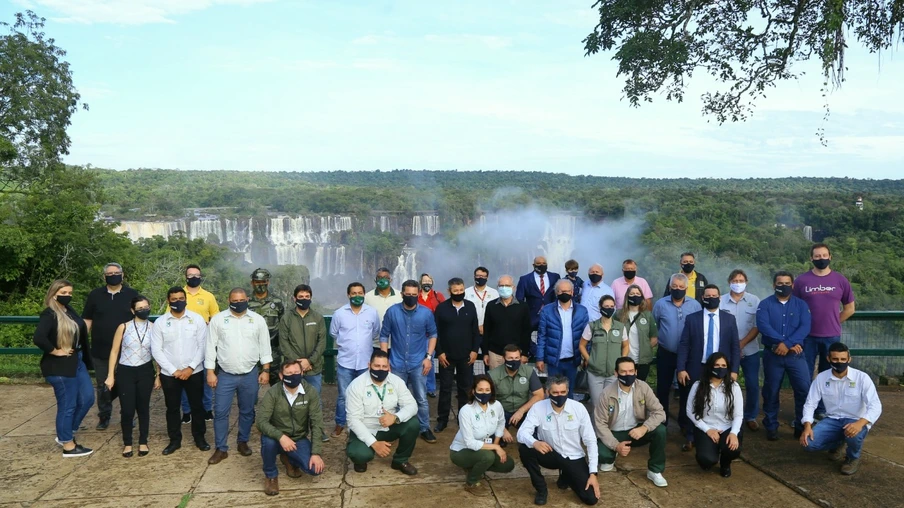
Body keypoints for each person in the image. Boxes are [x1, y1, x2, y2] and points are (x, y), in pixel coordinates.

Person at [206, 288, 273, 464]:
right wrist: (210, 371)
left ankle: (242, 441)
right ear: (228, 300)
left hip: (250, 373)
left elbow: (265, 346)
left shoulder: (257, 320)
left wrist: (265, 370)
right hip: (225, 374)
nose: (238, 303)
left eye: (241, 300)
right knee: (220, 411)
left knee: (248, 411)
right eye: (234, 301)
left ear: (247, 299)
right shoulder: (219, 320)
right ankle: (221, 448)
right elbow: (210, 346)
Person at [33, 279, 96, 458]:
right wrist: (55, 351)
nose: (67, 296)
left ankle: (66, 431)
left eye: (70, 293)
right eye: (64, 293)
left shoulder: (68, 311)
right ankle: (68, 444)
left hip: (77, 361)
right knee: (68, 405)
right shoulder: (50, 314)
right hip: (60, 366)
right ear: (54, 294)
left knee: (87, 399)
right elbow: (39, 338)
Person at [793, 243, 855, 420]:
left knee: (829, 376)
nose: (821, 259)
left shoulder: (840, 280)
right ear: (811, 258)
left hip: (831, 337)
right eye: (817, 256)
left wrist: (834, 321)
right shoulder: (802, 281)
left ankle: (822, 410)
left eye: (824, 255)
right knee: (804, 377)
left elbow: (850, 308)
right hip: (807, 337)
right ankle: (804, 413)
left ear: (830, 257)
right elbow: (794, 308)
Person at [799, 343, 882, 475]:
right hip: (832, 419)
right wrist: (807, 426)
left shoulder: (862, 378)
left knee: (854, 436)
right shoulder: (821, 378)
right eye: (836, 359)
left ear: (849, 359)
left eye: (843, 359)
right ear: (828, 359)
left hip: (855, 420)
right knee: (808, 443)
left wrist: (860, 424)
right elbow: (810, 403)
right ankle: (838, 443)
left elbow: (876, 405)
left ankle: (852, 458)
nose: (840, 362)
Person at [517, 376, 600, 506]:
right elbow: (521, 433)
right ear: (547, 392)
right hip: (551, 454)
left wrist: (593, 473)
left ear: (568, 391)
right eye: (555, 392)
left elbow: (590, 441)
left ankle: (566, 475)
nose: (559, 396)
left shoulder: (579, 408)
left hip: (573, 457)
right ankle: (541, 490)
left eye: (563, 392)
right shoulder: (538, 407)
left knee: (590, 499)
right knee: (525, 448)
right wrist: (535, 442)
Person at [677, 284, 740, 450]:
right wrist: (681, 368)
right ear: (702, 298)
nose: (711, 298)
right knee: (693, 401)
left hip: (721, 368)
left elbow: (735, 346)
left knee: (719, 400)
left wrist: (734, 370)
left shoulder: (729, 319)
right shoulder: (693, 318)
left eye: (714, 295)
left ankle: (720, 433)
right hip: (697, 366)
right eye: (707, 296)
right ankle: (691, 437)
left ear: (719, 298)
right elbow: (684, 344)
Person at [150, 287, 210, 455]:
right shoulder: (160, 322)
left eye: (181, 298)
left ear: (186, 299)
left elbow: (203, 346)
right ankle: (174, 441)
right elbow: (157, 350)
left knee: (197, 407)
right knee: (172, 408)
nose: (178, 301)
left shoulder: (197, 320)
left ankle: (200, 438)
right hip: (170, 374)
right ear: (168, 301)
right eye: (174, 299)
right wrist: (173, 370)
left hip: (194, 371)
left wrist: (190, 368)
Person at [379, 280, 439, 444]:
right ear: (402, 294)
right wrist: (385, 359)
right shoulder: (392, 312)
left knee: (421, 398)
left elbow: (433, 334)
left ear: (418, 294)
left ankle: (424, 428)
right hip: (397, 363)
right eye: (408, 294)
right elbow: (384, 335)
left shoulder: (426, 313)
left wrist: (428, 358)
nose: (411, 297)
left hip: (418, 363)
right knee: (395, 399)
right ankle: (399, 428)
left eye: (414, 295)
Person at [82, 262, 139, 430]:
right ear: (104, 276)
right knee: (102, 385)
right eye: (110, 273)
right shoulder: (95, 295)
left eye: (116, 272)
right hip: (101, 349)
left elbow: (138, 319)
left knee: (127, 384)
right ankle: (104, 416)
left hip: (127, 350)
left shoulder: (132, 294)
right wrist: (81, 340)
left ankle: (127, 416)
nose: (113, 275)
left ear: (123, 275)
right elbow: (87, 319)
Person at [595, 357, 668, 487]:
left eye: (631, 371)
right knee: (604, 461)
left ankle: (654, 470)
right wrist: (616, 445)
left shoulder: (643, 387)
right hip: (614, 433)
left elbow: (660, 413)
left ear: (636, 372)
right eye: (623, 372)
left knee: (660, 430)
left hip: (636, 431)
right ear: (616, 373)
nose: (628, 375)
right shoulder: (606, 393)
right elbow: (600, 424)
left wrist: (644, 428)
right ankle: (614, 451)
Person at [756, 271, 812, 441]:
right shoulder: (765, 305)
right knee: (771, 391)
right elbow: (763, 326)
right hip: (773, 354)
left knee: (803, 390)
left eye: (787, 283)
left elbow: (805, 327)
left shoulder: (801, 305)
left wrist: (787, 344)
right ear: (774, 285)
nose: (784, 286)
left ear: (793, 285)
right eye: (780, 283)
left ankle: (800, 425)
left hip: (796, 355)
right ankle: (771, 426)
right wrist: (783, 343)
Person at [346, 350, 420, 475]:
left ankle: (400, 460)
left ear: (389, 367)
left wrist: (396, 417)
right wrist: (374, 444)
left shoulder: (396, 381)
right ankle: (361, 460)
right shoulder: (356, 386)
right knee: (359, 454)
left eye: (384, 366)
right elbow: (353, 420)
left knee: (413, 424)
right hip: (366, 429)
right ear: (369, 365)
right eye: (377, 366)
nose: (380, 370)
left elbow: (412, 405)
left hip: (388, 427)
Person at [257, 360, 325, 496]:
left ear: (301, 373)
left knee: (314, 469)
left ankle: (288, 458)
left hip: (298, 438)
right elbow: (261, 421)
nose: (293, 376)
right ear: (281, 376)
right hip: (276, 437)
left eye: (296, 372)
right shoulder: (273, 392)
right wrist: (281, 437)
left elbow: (317, 423)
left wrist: (316, 453)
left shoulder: (310, 392)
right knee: (268, 442)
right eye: (288, 373)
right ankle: (271, 476)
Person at [104, 295, 159, 457]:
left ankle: (143, 441)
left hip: (145, 371)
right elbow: (114, 351)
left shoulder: (154, 327)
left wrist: (158, 375)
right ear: (133, 310)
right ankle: (127, 443)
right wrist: (110, 375)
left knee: (143, 408)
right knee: (127, 410)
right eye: (140, 308)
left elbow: (157, 353)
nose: (143, 311)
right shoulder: (124, 327)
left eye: (146, 307)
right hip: (125, 370)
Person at [278, 284, 329, 442]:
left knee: (315, 401)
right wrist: (298, 365)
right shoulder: (287, 318)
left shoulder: (317, 317)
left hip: (313, 368)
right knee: (290, 400)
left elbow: (322, 342)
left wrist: (310, 361)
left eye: (307, 297)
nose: (304, 300)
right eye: (301, 297)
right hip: (293, 369)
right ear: (294, 298)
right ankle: (292, 431)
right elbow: (284, 343)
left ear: (311, 298)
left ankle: (318, 431)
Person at [329, 282, 380, 438]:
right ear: (348, 295)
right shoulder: (339, 314)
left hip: (365, 362)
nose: (357, 296)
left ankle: (364, 424)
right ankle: (340, 423)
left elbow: (375, 332)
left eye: (360, 293)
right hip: (346, 361)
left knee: (366, 394)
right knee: (344, 395)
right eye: (354, 293)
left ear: (364, 294)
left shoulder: (372, 313)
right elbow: (333, 333)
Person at [449, 375, 515, 494]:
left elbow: (501, 423)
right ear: (473, 391)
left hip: (485, 446)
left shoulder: (497, 405)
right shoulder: (466, 411)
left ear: (491, 391)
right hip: (462, 450)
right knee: (487, 457)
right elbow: (469, 442)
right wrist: (496, 447)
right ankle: (471, 482)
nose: (484, 393)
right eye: (480, 390)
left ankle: (474, 466)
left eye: (487, 390)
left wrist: (495, 444)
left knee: (508, 465)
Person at [652, 273, 702, 426]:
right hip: (666, 352)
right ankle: (662, 420)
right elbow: (655, 326)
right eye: (674, 286)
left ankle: (684, 422)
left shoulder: (695, 305)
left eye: (681, 287)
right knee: (663, 388)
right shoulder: (660, 304)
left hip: (687, 355)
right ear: (669, 287)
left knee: (686, 389)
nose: (677, 289)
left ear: (686, 288)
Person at [433, 278, 481, 433]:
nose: (459, 293)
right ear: (449, 291)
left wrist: (475, 350)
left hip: (467, 357)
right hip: (446, 357)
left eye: (461, 290)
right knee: (445, 389)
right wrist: (439, 352)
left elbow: (475, 331)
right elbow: (436, 333)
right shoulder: (441, 308)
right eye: (456, 291)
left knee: (465, 389)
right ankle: (442, 420)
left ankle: (464, 420)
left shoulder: (471, 306)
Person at [687, 353, 744, 477]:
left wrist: (734, 433)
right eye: (717, 365)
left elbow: (738, 414)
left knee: (733, 449)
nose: (720, 368)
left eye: (723, 365)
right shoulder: (698, 385)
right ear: (710, 367)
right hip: (706, 427)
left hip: (727, 426)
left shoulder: (734, 387)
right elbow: (690, 411)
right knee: (707, 460)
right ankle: (706, 454)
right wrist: (708, 430)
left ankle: (725, 463)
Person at [720, 269, 762, 431]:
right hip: (726, 352)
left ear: (746, 282)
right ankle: (727, 415)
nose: (738, 284)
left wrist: (742, 343)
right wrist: (733, 346)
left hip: (749, 349)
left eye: (741, 280)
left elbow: (757, 325)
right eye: (735, 281)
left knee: (752, 384)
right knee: (726, 384)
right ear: (729, 282)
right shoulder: (721, 300)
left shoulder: (754, 300)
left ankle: (751, 416)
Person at [536, 279, 589, 399]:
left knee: (569, 393)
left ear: (572, 292)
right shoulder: (547, 310)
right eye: (561, 291)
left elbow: (586, 337)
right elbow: (542, 336)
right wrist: (539, 358)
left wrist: (586, 357)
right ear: (556, 293)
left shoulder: (582, 311)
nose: (564, 293)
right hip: (554, 360)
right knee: (553, 392)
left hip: (573, 360)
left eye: (566, 291)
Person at [181, 264, 217, 424]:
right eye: (190, 275)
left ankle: (207, 409)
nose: (194, 278)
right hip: (183, 344)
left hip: (204, 343)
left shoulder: (208, 296)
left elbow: (216, 318)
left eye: (197, 275)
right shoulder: (179, 295)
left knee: (205, 377)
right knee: (184, 378)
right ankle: (187, 411)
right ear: (185, 277)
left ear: (201, 276)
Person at [488, 345, 544, 444]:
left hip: (523, 410)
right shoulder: (493, 375)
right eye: (510, 358)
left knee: (535, 437)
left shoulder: (528, 371)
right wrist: (502, 429)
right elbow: (487, 403)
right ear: (503, 358)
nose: (514, 361)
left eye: (516, 358)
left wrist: (521, 411)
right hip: (501, 411)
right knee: (493, 439)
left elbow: (539, 395)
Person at [579, 295, 628, 407]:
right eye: (606, 306)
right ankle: (596, 425)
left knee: (611, 405)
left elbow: (625, 345)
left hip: (613, 373)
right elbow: (582, 345)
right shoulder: (592, 326)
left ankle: (610, 425)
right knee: (597, 405)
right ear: (600, 307)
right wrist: (590, 360)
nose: (609, 309)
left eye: (611, 306)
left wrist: (621, 361)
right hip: (595, 373)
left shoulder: (620, 327)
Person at [482, 275, 531, 369]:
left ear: (513, 287)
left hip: (515, 355)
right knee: (495, 381)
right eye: (501, 285)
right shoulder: (491, 306)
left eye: (507, 285)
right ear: (498, 287)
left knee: (515, 382)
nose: (504, 288)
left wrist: (524, 353)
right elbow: (487, 331)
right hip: (495, 354)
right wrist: (485, 353)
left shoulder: (523, 306)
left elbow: (526, 332)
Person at [247, 268, 285, 386]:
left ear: (268, 282)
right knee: (250, 390)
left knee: (278, 387)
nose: (260, 285)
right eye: (257, 282)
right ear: (252, 282)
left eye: (263, 282)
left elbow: (282, 322)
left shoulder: (277, 301)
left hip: (274, 350)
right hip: (252, 351)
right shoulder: (246, 302)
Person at [516, 256, 560, 354]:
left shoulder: (555, 277)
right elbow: (519, 299)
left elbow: (557, 295)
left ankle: (548, 353)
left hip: (550, 314)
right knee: (522, 333)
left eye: (544, 263)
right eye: (539, 264)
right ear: (533, 265)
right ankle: (534, 352)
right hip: (531, 315)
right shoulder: (525, 279)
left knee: (552, 334)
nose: (542, 265)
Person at [616, 284, 658, 381]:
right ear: (627, 296)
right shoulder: (618, 314)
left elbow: (654, 337)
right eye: (632, 294)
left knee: (639, 387)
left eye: (637, 294)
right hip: (624, 358)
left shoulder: (647, 315)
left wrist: (645, 348)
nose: (635, 296)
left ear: (642, 296)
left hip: (642, 360)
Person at [417, 273, 444, 398]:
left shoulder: (438, 296)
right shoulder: (415, 296)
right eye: (424, 281)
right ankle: (419, 385)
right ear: (420, 282)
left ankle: (430, 387)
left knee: (429, 360)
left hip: (432, 334)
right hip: (418, 334)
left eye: (429, 281)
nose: (427, 283)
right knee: (417, 359)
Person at [364, 267, 403, 351]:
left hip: (396, 345)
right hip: (374, 345)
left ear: (391, 280)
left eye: (386, 277)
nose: (382, 280)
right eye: (380, 278)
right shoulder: (367, 297)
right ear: (375, 280)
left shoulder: (400, 296)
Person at [464, 266, 499, 336]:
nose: (480, 278)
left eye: (483, 276)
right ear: (474, 277)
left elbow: (497, 311)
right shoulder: (466, 292)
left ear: (487, 278)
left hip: (490, 330)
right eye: (478, 276)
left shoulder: (494, 293)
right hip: (471, 330)